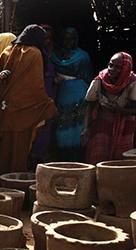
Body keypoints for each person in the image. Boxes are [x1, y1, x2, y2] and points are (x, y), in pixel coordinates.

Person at [0, 25, 57, 176]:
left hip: (4, 109)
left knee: (3, 148)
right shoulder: (34, 54)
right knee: (19, 149)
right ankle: (15, 180)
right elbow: (35, 86)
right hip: (24, 110)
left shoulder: (7, 51)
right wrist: (47, 105)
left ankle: (0, 178)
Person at [84, 52, 136, 164]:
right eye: (110, 65)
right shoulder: (99, 80)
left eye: (118, 67)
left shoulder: (132, 82)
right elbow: (89, 105)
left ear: (125, 69)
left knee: (121, 160)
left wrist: (119, 110)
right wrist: (86, 128)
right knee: (98, 153)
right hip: (103, 122)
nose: (112, 69)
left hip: (125, 124)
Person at [51, 27, 93, 160]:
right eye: (65, 38)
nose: (67, 41)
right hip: (62, 93)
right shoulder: (53, 56)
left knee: (78, 124)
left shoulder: (83, 56)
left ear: (76, 40)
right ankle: (64, 156)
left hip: (79, 93)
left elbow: (87, 77)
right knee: (62, 125)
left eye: (71, 38)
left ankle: (78, 156)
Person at [30, 24, 57, 165]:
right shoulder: (33, 54)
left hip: (50, 90)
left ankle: (42, 153)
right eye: (44, 38)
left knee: (47, 122)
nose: (47, 41)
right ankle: (33, 154)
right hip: (37, 92)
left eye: (49, 38)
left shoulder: (52, 54)